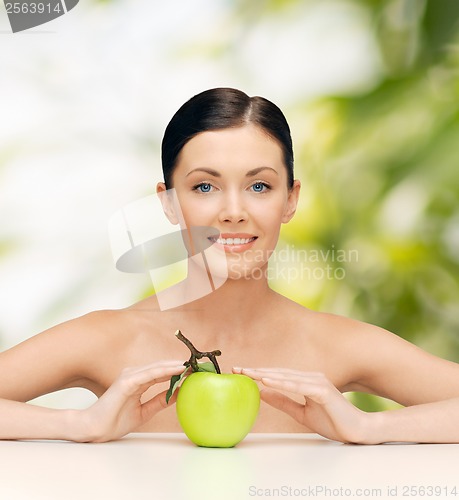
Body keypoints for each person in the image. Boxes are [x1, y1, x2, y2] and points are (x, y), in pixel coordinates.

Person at [1, 87, 459, 444]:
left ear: (291, 199)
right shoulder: (106, 339)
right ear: (168, 203)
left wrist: (366, 428)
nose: (234, 211)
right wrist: (78, 424)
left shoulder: (337, 345)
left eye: (260, 186)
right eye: (204, 187)